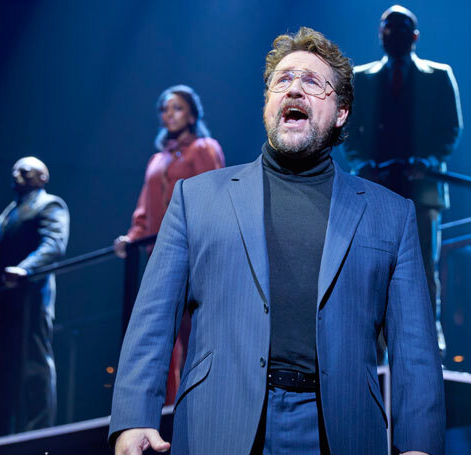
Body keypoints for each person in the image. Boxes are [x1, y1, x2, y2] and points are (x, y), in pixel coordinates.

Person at [109, 27, 444, 455]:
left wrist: (421, 446)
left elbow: (414, 349)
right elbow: (153, 319)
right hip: (219, 423)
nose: (294, 89)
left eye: (312, 82)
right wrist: (134, 418)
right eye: (282, 80)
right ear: (268, 103)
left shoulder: (390, 214)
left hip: (341, 431)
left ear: (341, 112)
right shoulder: (197, 198)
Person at [343, 5, 463, 353]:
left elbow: (450, 129)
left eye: (400, 29)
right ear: (379, 35)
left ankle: (426, 331)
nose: (392, 35)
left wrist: (426, 161)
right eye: (387, 29)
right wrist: (363, 163)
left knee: (424, 261)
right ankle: (377, 340)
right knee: (375, 261)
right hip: (375, 184)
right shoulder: (361, 77)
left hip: (420, 185)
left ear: (415, 36)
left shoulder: (438, 75)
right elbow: (345, 129)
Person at [113, 85, 225, 405]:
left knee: (195, 328)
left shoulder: (204, 148)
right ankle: (164, 405)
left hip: (195, 251)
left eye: (176, 108)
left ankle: (199, 401)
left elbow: (215, 195)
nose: (169, 114)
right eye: (164, 109)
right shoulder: (157, 159)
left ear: (191, 113)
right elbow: (144, 208)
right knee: (161, 330)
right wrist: (132, 237)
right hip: (157, 255)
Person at [0, 157, 69, 437]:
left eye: (24, 172)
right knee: (1, 370)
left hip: (32, 301)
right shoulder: (8, 214)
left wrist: (24, 269)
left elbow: (53, 244)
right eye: (14, 171)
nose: (16, 176)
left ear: (42, 177)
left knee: (35, 365)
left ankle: (39, 431)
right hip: (3, 304)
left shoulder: (50, 204)